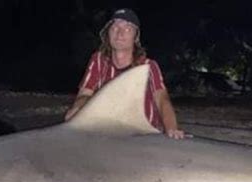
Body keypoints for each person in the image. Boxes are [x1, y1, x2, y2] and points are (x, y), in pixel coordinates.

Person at [65, 8, 185, 139]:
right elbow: (84, 95)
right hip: (108, 133)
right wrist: (78, 108)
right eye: (115, 27)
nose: (120, 33)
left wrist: (171, 128)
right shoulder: (98, 61)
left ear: (135, 37)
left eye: (127, 29)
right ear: (107, 33)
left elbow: (162, 100)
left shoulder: (148, 67)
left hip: (146, 135)